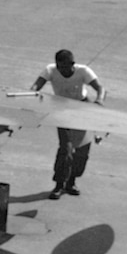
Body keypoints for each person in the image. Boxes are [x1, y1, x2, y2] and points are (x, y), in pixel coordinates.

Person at [34, 49, 104, 198]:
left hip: (81, 109)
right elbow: (36, 86)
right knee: (66, 148)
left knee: (81, 150)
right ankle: (59, 184)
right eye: (60, 67)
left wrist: (99, 100)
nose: (62, 71)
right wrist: (32, 95)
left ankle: (71, 181)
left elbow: (100, 88)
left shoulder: (83, 71)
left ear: (73, 64)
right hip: (61, 110)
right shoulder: (50, 70)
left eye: (65, 67)